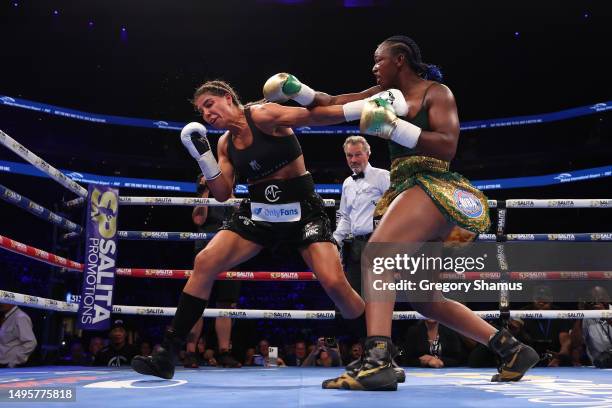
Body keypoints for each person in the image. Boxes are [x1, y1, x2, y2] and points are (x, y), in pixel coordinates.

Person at [264, 35, 539, 390]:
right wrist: (294, 91)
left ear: (400, 60)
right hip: (417, 193)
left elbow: (448, 144)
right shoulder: (379, 95)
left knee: (377, 257)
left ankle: (377, 361)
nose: (374, 66)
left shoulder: (435, 93)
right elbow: (330, 104)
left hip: (437, 186)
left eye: (379, 60)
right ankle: (512, 349)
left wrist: (395, 128)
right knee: (424, 299)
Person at [132, 79, 384, 379]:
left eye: (209, 104)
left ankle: (378, 352)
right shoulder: (224, 143)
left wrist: (366, 105)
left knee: (334, 283)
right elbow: (223, 193)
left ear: (228, 97)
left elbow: (314, 115)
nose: (207, 114)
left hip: (303, 212)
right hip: (259, 215)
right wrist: (205, 158)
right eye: (201, 111)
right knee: (205, 261)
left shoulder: (263, 115)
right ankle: (167, 353)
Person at [184, 174, 242, 369]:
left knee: (226, 302)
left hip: (230, 250)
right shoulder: (204, 193)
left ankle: (224, 351)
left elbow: (239, 213)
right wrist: (206, 190)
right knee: (197, 299)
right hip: (206, 249)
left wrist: (227, 189)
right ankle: (191, 352)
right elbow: (199, 219)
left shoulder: (231, 192)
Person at [334, 135, 390, 297]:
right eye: (349, 155)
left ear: (368, 154)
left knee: (378, 299)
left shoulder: (382, 176)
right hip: (356, 248)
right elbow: (345, 216)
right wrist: (335, 240)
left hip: (379, 245)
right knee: (355, 298)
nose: (353, 160)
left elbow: (397, 208)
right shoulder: (347, 183)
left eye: (358, 154)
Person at [400, 319, 466, 368]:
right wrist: (422, 362)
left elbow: (458, 359)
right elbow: (406, 359)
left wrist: (439, 361)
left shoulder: (449, 331)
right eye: (428, 311)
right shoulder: (413, 331)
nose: (430, 314)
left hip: (446, 373)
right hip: (419, 373)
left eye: (433, 311)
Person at [0, 303, 37, 368]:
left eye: (3, 300)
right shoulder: (7, 316)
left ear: (11, 301)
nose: (1, 303)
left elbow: (31, 342)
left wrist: (14, 362)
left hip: (8, 365)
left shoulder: (20, 317)